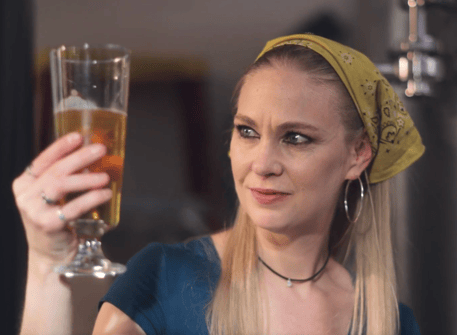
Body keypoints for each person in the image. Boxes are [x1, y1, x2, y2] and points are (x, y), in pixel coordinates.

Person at [14, 34, 425, 335]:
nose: (262, 164)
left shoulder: (388, 322)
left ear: (357, 155)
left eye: (295, 138)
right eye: (247, 132)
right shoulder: (164, 278)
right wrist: (46, 267)